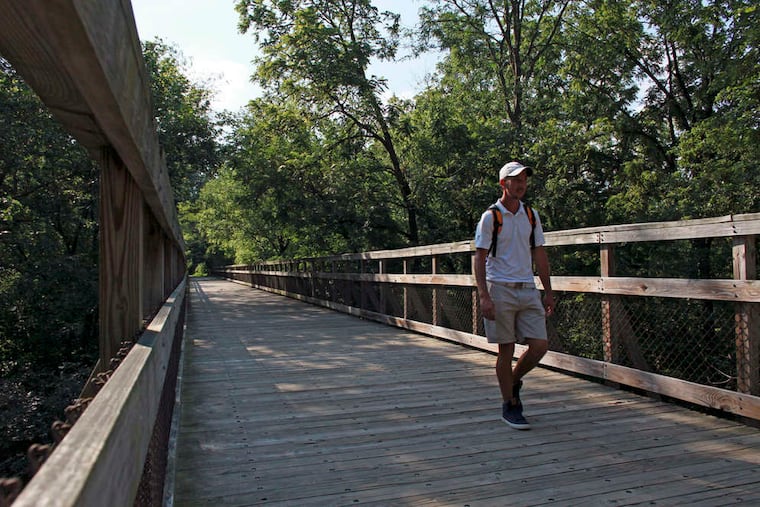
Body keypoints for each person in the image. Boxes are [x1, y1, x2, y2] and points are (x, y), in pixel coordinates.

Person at [474, 161, 555, 430]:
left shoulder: (530, 215)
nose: (520, 184)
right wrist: (484, 296)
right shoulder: (491, 217)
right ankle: (510, 404)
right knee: (505, 350)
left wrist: (548, 291)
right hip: (500, 289)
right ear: (503, 183)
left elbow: (540, 255)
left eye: (524, 180)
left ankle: (514, 380)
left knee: (540, 345)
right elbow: (480, 257)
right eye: (515, 179)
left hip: (528, 288)